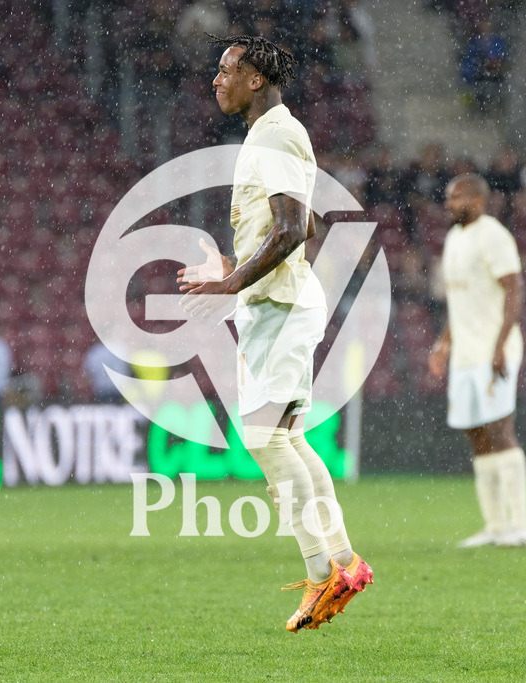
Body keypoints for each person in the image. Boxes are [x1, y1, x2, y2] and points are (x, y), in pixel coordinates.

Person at [177, 34, 371, 633]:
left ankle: (322, 572)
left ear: (255, 78)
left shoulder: (277, 134)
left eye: (226, 70)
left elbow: (292, 231)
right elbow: (301, 222)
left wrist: (230, 283)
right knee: (285, 438)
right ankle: (344, 562)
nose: (216, 80)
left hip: (281, 303)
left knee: (265, 439)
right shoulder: (268, 135)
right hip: (274, 303)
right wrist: (230, 270)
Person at [428, 174, 526, 548]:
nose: (448, 204)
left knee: (501, 430)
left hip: (492, 351)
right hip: (465, 355)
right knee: (476, 434)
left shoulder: (494, 236)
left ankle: (520, 525)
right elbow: (458, 301)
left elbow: (514, 290)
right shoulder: (454, 238)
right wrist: (443, 343)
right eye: (447, 197)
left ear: (477, 200)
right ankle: (495, 526)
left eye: (455, 198)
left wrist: (501, 345)